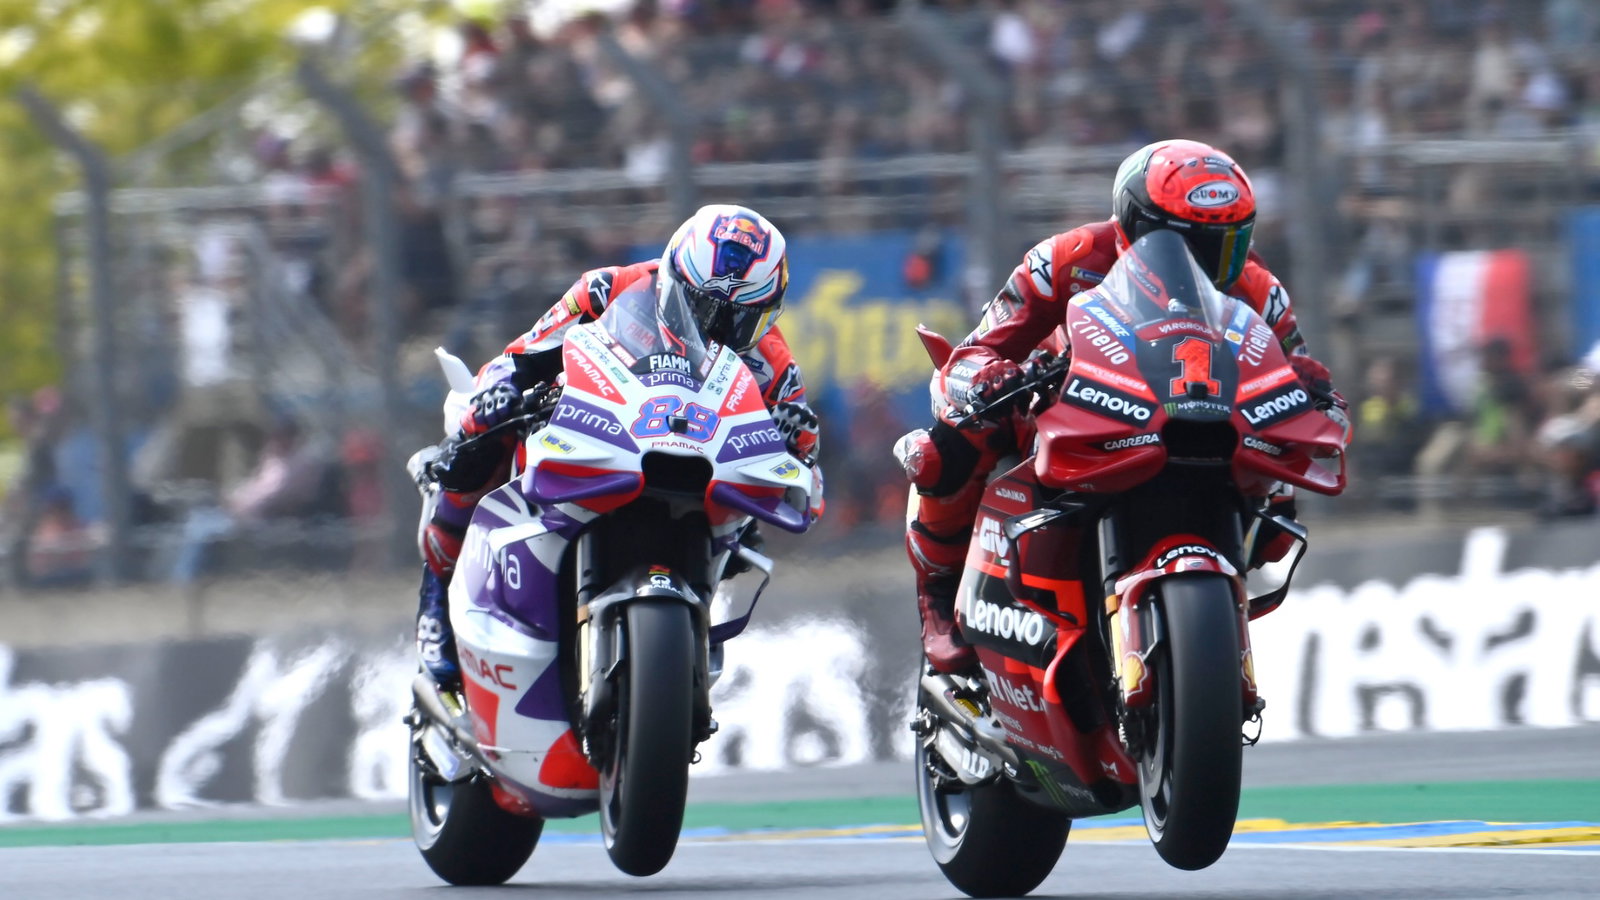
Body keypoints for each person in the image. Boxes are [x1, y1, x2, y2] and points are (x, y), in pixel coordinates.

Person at [897, 139, 1348, 674]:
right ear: (1138, 224)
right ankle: (939, 595)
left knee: (1279, 503)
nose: (1212, 263)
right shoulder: (1066, 258)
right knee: (949, 440)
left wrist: (1310, 388)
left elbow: (1309, 384)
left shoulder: (1259, 288)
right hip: (1071, 408)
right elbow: (976, 351)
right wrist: (992, 376)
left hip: (1198, 422)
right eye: (1192, 244)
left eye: (1228, 243)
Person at [415, 204, 820, 687]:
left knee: (747, 530)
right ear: (673, 275)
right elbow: (519, 356)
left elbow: (806, 456)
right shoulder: (606, 289)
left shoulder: (772, 359)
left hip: (695, 470)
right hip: (591, 436)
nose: (713, 329)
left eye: (739, 320)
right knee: (480, 445)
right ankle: (436, 598)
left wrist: (793, 434)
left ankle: (685, 637)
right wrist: (498, 393)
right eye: (699, 307)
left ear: (767, 314)